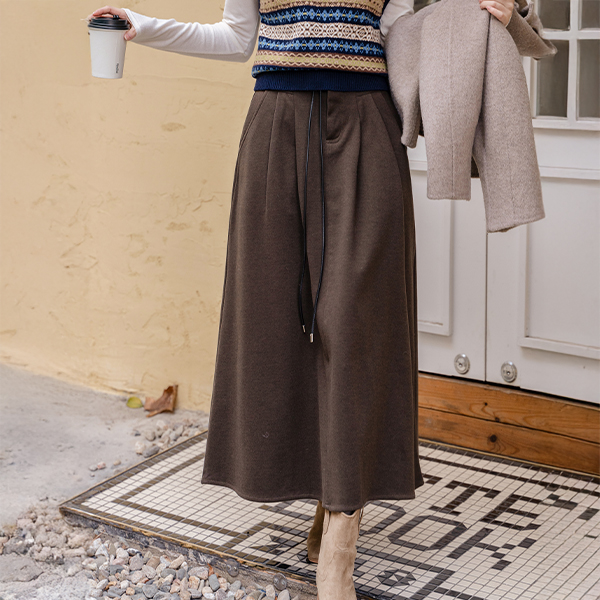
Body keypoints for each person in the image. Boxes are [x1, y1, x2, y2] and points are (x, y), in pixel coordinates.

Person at [87, 0, 516, 596]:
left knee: (359, 323)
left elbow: (400, 34)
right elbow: (236, 38)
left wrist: (479, 13)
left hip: (367, 129)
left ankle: (341, 538)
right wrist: (144, 27)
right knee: (273, 318)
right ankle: (329, 490)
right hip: (275, 129)